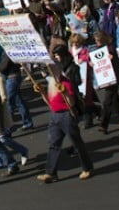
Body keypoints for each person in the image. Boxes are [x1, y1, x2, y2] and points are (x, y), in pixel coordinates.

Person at [35, 45, 94, 184]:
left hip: (66, 115)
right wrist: (42, 92)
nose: (50, 72)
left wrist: (65, 92)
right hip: (55, 115)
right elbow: (49, 102)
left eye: (52, 69)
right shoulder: (51, 84)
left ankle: (88, 168)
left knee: (76, 142)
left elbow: (71, 102)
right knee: (53, 144)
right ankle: (51, 172)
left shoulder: (66, 83)